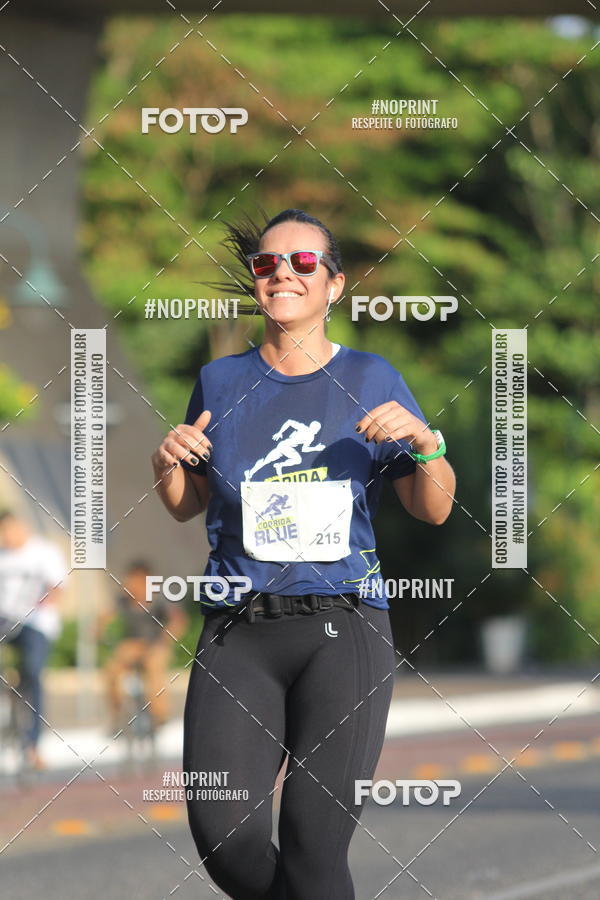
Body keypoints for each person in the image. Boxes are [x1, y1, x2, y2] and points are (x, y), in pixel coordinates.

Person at [151, 208, 456, 899]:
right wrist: (166, 460)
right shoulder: (220, 383)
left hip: (342, 630)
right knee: (225, 839)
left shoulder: (374, 377)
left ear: (335, 285)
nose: (282, 272)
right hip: (237, 633)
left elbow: (431, 507)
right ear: (255, 281)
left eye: (303, 263)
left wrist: (426, 443)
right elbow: (186, 500)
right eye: (266, 264)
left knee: (316, 853)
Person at [0, 511, 67, 770]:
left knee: (32, 671)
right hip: (5, 620)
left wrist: (45, 600)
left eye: (10, 530)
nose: (7, 536)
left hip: (35, 622)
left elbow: (58, 587)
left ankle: (33, 746)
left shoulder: (44, 552)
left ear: (22, 527)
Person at [101, 560, 186, 732]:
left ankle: (159, 715)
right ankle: (117, 714)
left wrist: (168, 636)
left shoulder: (158, 598)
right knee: (112, 669)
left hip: (156, 644)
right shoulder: (123, 599)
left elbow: (178, 619)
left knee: (154, 667)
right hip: (133, 643)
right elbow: (106, 616)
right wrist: (99, 629)